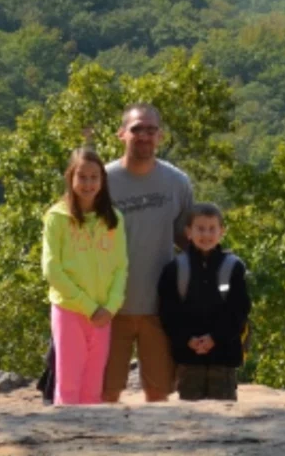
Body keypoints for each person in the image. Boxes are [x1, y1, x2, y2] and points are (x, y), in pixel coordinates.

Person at [101, 103, 195, 403]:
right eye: (136, 129)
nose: (143, 136)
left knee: (159, 393)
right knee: (105, 393)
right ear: (121, 134)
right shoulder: (100, 181)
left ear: (160, 136)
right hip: (109, 307)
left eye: (150, 130)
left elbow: (188, 238)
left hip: (160, 308)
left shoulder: (178, 183)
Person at [41, 148, 127, 407]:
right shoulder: (57, 217)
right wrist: (88, 307)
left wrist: (110, 307)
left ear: (102, 180)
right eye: (82, 177)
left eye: (94, 177)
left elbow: (121, 267)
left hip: (103, 314)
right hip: (70, 310)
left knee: (93, 386)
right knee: (68, 385)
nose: (88, 184)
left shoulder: (114, 219)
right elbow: (51, 268)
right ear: (71, 178)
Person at [157, 202, 252, 402]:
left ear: (221, 232)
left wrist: (215, 338)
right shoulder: (174, 269)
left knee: (224, 414)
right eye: (200, 229)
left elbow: (239, 310)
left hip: (224, 358)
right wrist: (187, 339)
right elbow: (168, 312)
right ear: (188, 232)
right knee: (190, 416)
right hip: (188, 358)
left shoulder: (234, 267)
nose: (206, 235)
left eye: (212, 229)